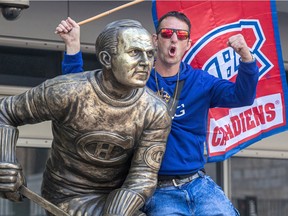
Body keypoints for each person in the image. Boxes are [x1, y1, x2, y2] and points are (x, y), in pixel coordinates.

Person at [57, 11, 259, 216]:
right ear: (155, 40)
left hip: (198, 183)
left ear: (188, 44)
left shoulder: (201, 82)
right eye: (167, 33)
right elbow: (82, 98)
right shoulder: (133, 80)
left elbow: (243, 96)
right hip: (156, 189)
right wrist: (72, 45)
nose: (174, 39)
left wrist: (245, 56)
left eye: (181, 36)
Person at [0, 19, 172, 216]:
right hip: (67, 195)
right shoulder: (67, 92)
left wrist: (118, 212)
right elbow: (5, 112)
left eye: (150, 54)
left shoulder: (156, 110)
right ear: (107, 59)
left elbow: (143, 175)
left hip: (118, 197)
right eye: (134, 53)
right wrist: (6, 163)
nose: (145, 63)